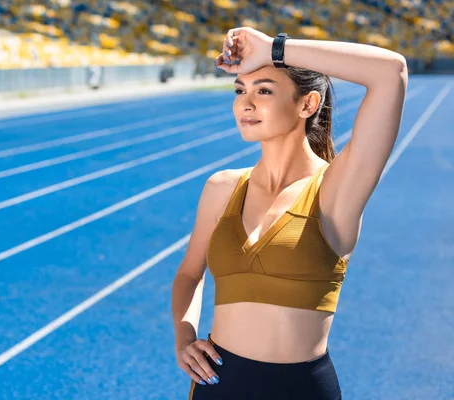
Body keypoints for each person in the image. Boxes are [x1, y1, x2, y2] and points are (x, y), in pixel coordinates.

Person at [171, 27, 408, 399]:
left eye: (263, 90)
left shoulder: (335, 191)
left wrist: (273, 48)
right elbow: (188, 275)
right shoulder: (222, 187)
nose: (245, 103)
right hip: (218, 384)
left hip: (299, 390)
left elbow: (390, 73)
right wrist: (185, 338)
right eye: (240, 90)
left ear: (307, 104)